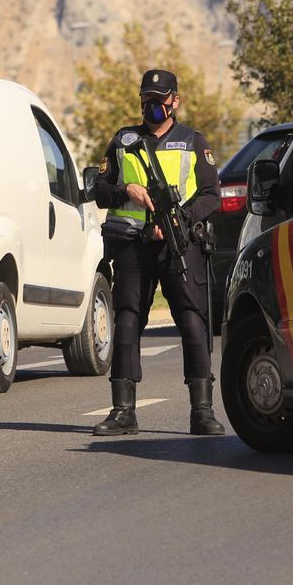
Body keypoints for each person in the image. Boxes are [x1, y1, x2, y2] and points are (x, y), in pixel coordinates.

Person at [89, 69, 224, 437]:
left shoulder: (193, 141)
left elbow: (213, 195)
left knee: (192, 320)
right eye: (146, 100)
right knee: (129, 319)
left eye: (159, 101)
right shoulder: (122, 141)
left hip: (180, 244)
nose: (152, 107)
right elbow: (99, 190)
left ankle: (202, 411)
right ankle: (123, 411)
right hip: (134, 244)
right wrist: (126, 190)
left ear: (174, 101)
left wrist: (181, 220)